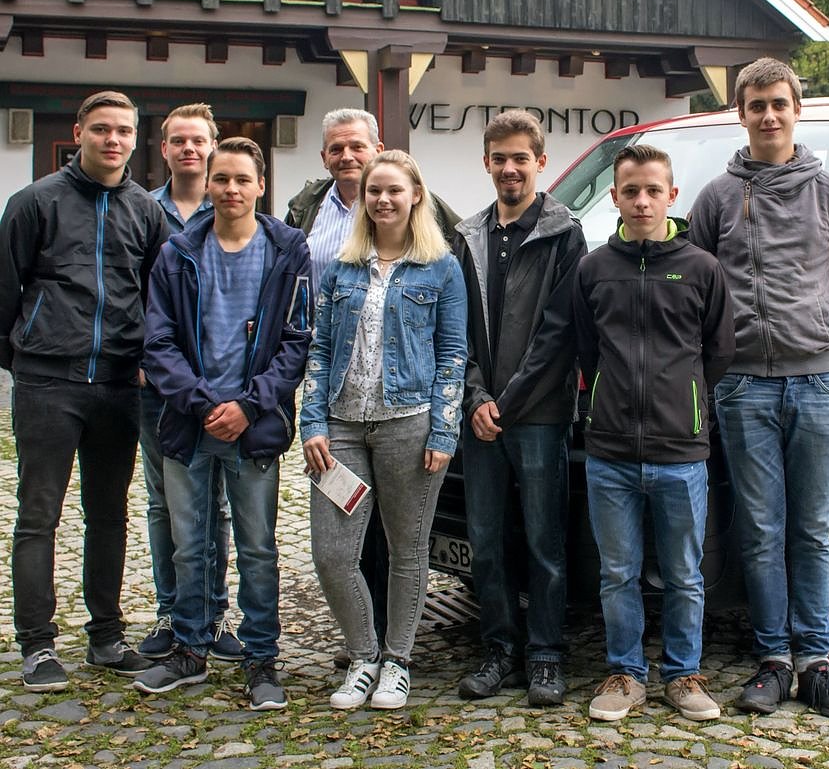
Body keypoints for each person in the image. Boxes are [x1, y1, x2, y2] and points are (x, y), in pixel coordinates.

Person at [686, 57, 829, 718]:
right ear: (740, 113)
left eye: (779, 103)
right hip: (743, 388)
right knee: (761, 528)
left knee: (812, 528)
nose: (768, 115)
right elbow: (700, 287)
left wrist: (810, 326)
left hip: (817, 380)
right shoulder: (714, 198)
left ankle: (817, 662)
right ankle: (773, 661)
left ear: (797, 110)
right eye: (757, 105)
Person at [134, 137, 312, 711]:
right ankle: (190, 648)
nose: (231, 189)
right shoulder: (178, 252)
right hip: (190, 424)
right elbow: (158, 341)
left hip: (253, 425)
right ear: (208, 186)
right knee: (190, 546)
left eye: (241, 179)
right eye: (221, 179)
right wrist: (203, 403)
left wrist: (249, 406)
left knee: (258, 548)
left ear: (261, 185)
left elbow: (296, 341)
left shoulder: (287, 250)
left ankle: (261, 658)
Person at [0, 90, 164, 691]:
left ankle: (106, 637)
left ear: (135, 139)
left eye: (123, 130)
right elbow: (5, 290)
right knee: (38, 514)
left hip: (118, 385)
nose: (112, 140)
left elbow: (156, 294)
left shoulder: (146, 210)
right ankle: (38, 645)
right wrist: (27, 358)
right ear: (79, 134)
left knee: (109, 513)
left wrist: (142, 360)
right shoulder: (34, 202)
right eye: (101, 129)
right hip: (48, 382)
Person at [286, 109, 460, 662]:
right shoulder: (343, 266)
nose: (383, 200)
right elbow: (320, 350)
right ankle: (363, 656)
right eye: (374, 192)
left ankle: (397, 661)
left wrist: (445, 430)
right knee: (333, 555)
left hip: (409, 425)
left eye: (394, 190)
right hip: (341, 428)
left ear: (415, 197)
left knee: (407, 552)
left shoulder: (441, 267)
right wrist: (312, 422)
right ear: (363, 199)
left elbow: (452, 356)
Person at [573, 145, 734, 722]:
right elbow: (586, 351)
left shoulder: (702, 269)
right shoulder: (594, 269)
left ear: (672, 196)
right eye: (630, 191)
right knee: (617, 573)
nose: (642, 201)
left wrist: (683, 404)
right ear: (615, 198)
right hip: (610, 451)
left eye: (652, 191)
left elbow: (718, 351)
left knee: (684, 575)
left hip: (680, 451)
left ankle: (683, 674)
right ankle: (625, 673)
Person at [452, 109, 586, 706]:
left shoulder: (564, 233)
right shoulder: (468, 236)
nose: (510, 168)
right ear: (487, 163)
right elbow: (456, 331)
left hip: (539, 416)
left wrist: (504, 403)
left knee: (543, 541)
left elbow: (559, 333)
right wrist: (476, 398)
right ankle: (499, 650)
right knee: (485, 541)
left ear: (540, 162)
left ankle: (547, 655)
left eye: (520, 158)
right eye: (500, 158)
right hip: (480, 416)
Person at [139, 102, 242, 662]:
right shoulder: (143, 208)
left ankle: (214, 612)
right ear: (164, 149)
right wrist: (145, 357)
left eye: (198, 140)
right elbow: (136, 287)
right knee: (165, 503)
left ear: (212, 145)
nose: (189, 149)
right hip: (159, 386)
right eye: (178, 140)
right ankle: (171, 610)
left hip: (221, 387)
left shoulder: (227, 202)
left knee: (217, 504)